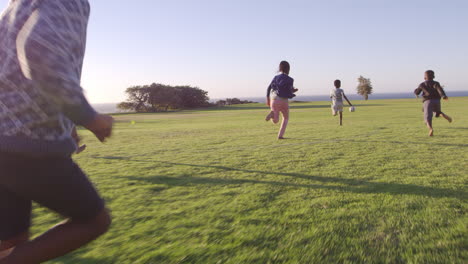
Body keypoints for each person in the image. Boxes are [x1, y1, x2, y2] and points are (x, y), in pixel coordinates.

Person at [0, 0, 114, 263]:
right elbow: (38, 51)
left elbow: (12, 75)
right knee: (94, 221)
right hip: (26, 144)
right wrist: (90, 117)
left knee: (13, 242)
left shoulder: (17, 6)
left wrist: (65, 123)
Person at [265, 61, 298, 139]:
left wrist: (267, 99)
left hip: (274, 99)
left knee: (275, 121)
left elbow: (269, 88)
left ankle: (272, 114)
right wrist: (294, 91)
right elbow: (289, 91)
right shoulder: (290, 79)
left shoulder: (275, 77)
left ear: (280, 68)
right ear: (288, 69)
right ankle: (280, 135)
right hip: (284, 100)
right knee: (286, 118)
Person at [414, 70, 452, 136]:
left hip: (427, 101)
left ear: (424, 77)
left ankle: (430, 129)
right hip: (437, 101)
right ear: (433, 76)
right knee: (437, 112)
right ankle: (446, 117)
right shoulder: (436, 83)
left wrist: (415, 91)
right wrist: (443, 96)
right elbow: (439, 89)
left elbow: (417, 92)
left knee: (427, 118)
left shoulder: (422, 84)